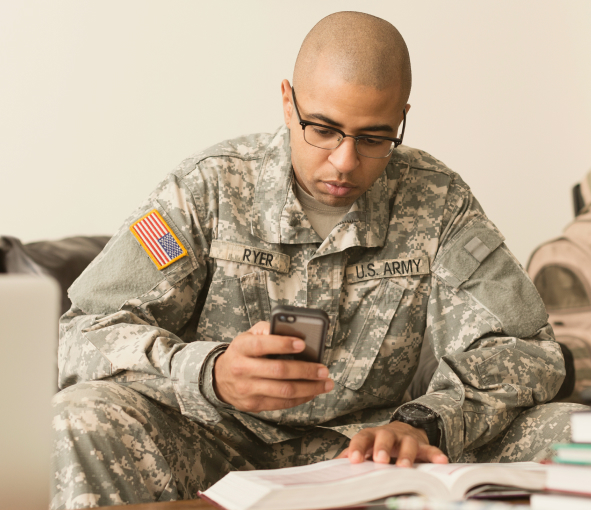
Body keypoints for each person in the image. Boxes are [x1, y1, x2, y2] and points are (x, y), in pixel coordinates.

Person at [51, 11, 584, 509]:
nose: (345, 162)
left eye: (374, 137)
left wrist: (427, 421)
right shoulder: (207, 190)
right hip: (216, 445)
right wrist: (208, 373)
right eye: (323, 130)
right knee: (78, 421)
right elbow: (83, 333)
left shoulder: (437, 201)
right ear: (288, 102)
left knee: (572, 433)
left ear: (402, 118)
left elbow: (529, 353)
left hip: (374, 455)